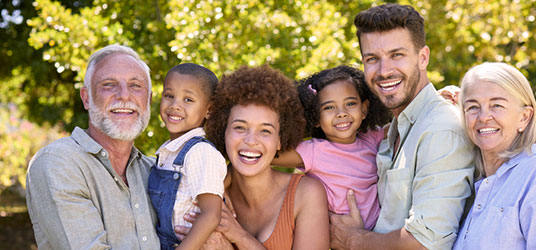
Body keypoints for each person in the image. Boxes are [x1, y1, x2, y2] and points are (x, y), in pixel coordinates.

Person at [329, 4, 475, 250]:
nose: (384, 71)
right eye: (372, 59)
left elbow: (425, 243)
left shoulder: (441, 129)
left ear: (423, 57)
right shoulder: (396, 129)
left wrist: (353, 240)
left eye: (397, 55)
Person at [26, 44, 159, 249]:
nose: (124, 95)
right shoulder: (58, 162)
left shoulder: (156, 171)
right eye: (109, 84)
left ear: (148, 100)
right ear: (86, 98)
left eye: (135, 86)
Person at [452, 62, 536, 249]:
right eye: (473, 107)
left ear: (524, 117)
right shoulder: (470, 187)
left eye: (497, 105)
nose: (484, 117)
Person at [202, 65, 330, 249]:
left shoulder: (306, 194)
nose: (251, 140)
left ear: (280, 140)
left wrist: (239, 237)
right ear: (224, 131)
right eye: (240, 127)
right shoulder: (208, 194)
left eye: (265, 131)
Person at [271, 65, 391, 230]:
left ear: (364, 109)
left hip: (380, 235)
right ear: (315, 118)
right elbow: (266, 155)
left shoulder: (370, 138)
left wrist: (432, 99)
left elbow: (403, 123)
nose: (341, 113)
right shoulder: (313, 151)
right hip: (341, 236)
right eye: (329, 107)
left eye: (350, 103)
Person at [149, 63, 227, 249]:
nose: (175, 105)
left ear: (209, 110)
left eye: (188, 100)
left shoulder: (200, 152)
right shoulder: (167, 153)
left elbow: (211, 214)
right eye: (169, 96)